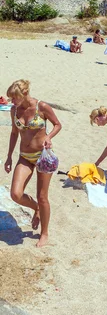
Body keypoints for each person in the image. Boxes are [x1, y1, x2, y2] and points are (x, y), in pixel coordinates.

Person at [5, 79, 62, 248]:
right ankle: (36, 207)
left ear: (24, 94)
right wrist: (9, 156)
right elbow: (14, 133)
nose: (12, 102)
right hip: (25, 156)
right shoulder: (15, 110)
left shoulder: (41, 107)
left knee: (43, 196)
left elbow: (58, 125)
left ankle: (44, 233)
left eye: (14, 98)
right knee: (15, 194)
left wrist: (48, 137)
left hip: (42, 156)